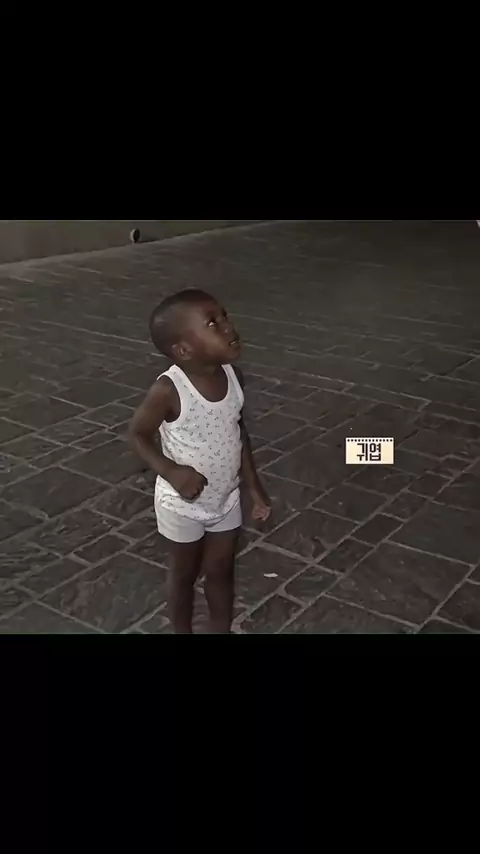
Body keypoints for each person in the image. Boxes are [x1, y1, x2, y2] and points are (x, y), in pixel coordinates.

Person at [129, 289, 271, 634]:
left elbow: (238, 434)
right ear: (184, 350)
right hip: (182, 506)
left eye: (225, 317)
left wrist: (255, 489)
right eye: (212, 323)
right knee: (184, 575)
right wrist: (172, 472)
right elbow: (137, 435)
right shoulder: (169, 390)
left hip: (226, 498)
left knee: (221, 571)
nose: (228, 327)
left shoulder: (233, 377)